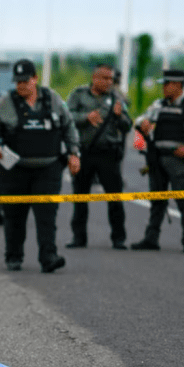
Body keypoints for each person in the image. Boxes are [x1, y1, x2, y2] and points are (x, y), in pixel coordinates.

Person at [0, 59, 81, 273]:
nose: (21, 86)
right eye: (17, 82)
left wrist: (74, 153)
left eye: (25, 81)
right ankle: (14, 256)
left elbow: (69, 126)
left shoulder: (52, 99)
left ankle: (48, 257)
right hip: (15, 170)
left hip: (48, 168)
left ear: (35, 79)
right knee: (14, 215)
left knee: (47, 215)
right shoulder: (6, 102)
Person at [130, 69, 184, 253]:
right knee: (157, 201)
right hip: (157, 158)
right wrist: (142, 122)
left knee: (183, 201)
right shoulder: (158, 105)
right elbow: (143, 118)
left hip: (178, 160)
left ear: (177, 85)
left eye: (166, 84)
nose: (163, 88)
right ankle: (151, 239)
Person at [65, 64, 131, 250]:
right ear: (94, 78)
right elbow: (67, 117)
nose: (108, 82)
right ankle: (79, 238)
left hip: (108, 154)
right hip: (84, 152)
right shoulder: (79, 95)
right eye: (104, 78)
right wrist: (85, 117)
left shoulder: (116, 98)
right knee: (80, 197)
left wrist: (119, 117)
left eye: (111, 79)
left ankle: (118, 238)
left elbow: (127, 125)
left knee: (115, 197)